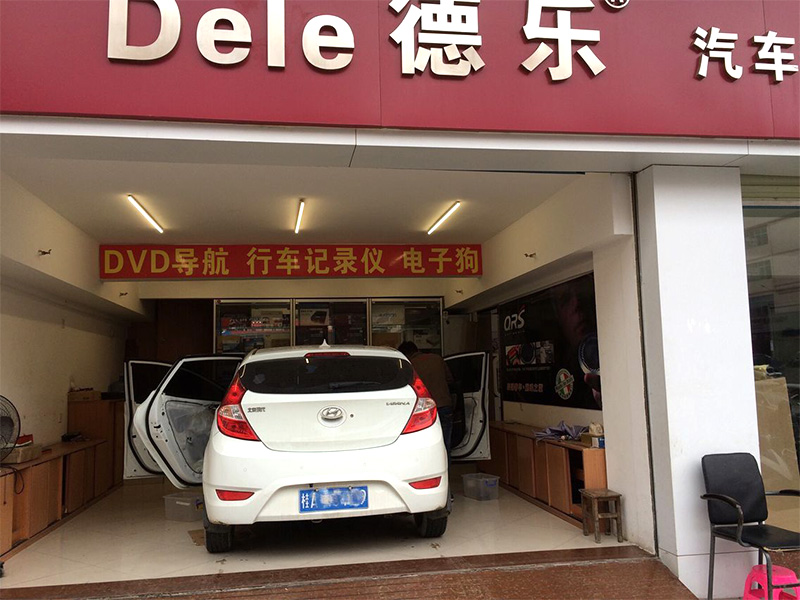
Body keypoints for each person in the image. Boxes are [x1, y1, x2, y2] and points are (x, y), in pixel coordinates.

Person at [398, 341, 455, 453]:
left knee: (425, 445)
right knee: (445, 445)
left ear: (406, 354)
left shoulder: (409, 365)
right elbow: (450, 380)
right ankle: (446, 463)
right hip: (444, 405)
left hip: (424, 410)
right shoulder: (437, 359)